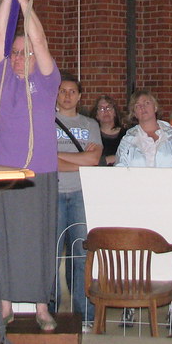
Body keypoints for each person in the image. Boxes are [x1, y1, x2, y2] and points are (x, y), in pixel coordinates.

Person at [0, 0, 59, 332]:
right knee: (2, 238)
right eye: (14, 53)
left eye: (23, 53)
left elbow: (39, 41)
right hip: (0, 169)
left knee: (38, 238)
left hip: (37, 170)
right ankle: (5, 306)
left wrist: (24, 2)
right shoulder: (2, 77)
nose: (16, 58)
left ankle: (41, 307)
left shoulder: (47, 80)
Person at [53, 72, 101, 323]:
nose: (67, 96)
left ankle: (85, 314)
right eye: (63, 91)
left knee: (82, 255)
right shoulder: (46, 122)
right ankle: (49, 310)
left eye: (72, 91)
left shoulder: (90, 125)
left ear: (80, 96)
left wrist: (60, 157)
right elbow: (45, 160)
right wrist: (79, 161)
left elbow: (93, 159)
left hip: (81, 194)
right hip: (54, 193)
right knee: (52, 255)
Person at [115, 89, 172, 215]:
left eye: (146, 103)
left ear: (155, 107)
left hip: (169, 200)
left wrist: (159, 188)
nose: (142, 107)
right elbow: (121, 171)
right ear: (134, 113)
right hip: (138, 202)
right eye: (137, 105)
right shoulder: (127, 141)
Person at [92, 94, 125, 165]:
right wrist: (107, 159)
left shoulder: (127, 135)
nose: (106, 111)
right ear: (96, 115)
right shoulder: (92, 136)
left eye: (109, 108)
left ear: (115, 112)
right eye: (101, 108)